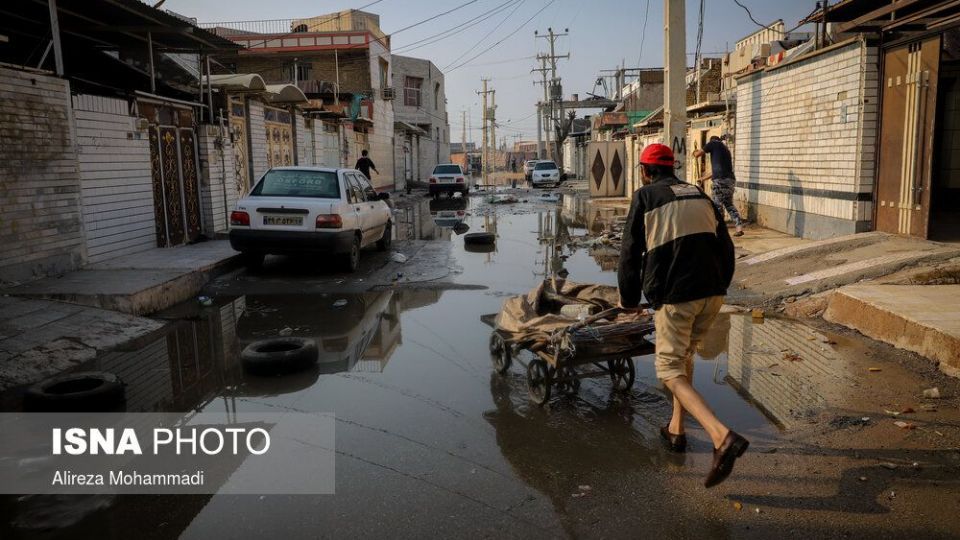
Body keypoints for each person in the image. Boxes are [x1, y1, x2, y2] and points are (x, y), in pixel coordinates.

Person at [618, 143, 748, 488]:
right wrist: (721, 286)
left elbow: (630, 254)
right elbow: (727, 247)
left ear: (645, 171)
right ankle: (676, 429)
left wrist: (629, 300)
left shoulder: (645, 197)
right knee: (685, 355)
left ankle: (721, 436)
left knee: (668, 370)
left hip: (679, 297)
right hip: (713, 293)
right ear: (672, 168)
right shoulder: (699, 194)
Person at [693, 135, 743, 237]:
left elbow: (697, 154)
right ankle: (739, 228)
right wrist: (702, 179)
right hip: (730, 181)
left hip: (719, 182)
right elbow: (716, 172)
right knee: (729, 205)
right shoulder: (726, 150)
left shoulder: (713, 143)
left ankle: (719, 231)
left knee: (717, 206)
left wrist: (695, 153)